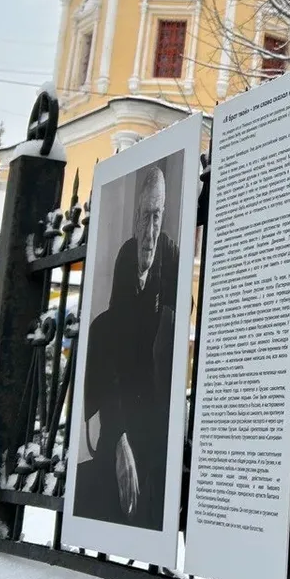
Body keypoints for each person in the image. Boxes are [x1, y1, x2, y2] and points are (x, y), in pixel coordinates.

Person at [74, 164, 179, 530]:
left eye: (158, 217)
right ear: (135, 219)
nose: (151, 231)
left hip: (153, 438)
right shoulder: (124, 266)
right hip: (118, 435)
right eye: (146, 217)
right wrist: (119, 438)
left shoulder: (167, 261)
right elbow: (111, 356)